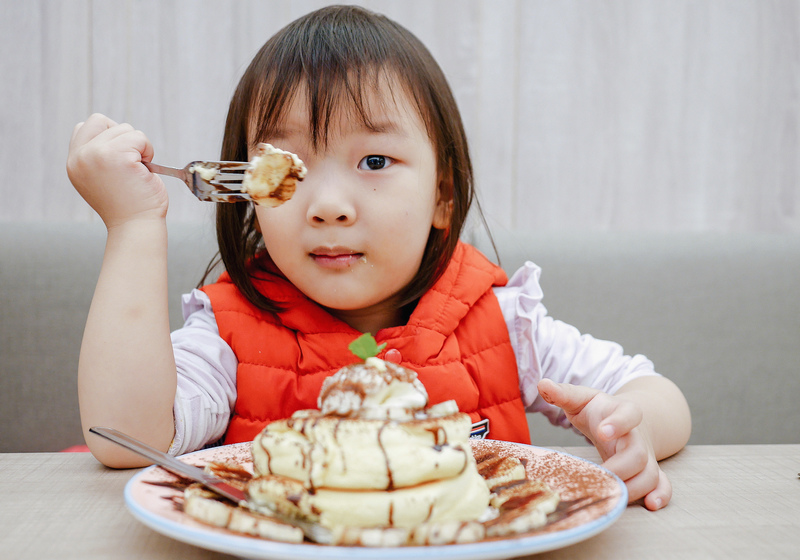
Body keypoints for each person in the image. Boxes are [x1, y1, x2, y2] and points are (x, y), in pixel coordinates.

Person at [67, 5, 690, 511]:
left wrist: (631, 428)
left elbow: (654, 394)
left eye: (374, 162)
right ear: (247, 191)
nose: (329, 205)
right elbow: (125, 436)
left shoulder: (503, 325)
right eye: (285, 168)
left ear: (442, 193)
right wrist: (132, 223)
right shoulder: (228, 336)